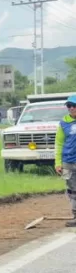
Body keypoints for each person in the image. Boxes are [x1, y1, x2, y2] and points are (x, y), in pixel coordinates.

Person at [54, 95, 76, 227]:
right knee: (72, 190)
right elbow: (59, 143)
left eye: (74, 105)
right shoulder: (63, 123)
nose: (72, 108)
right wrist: (58, 162)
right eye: (69, 106)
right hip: (68, 161)